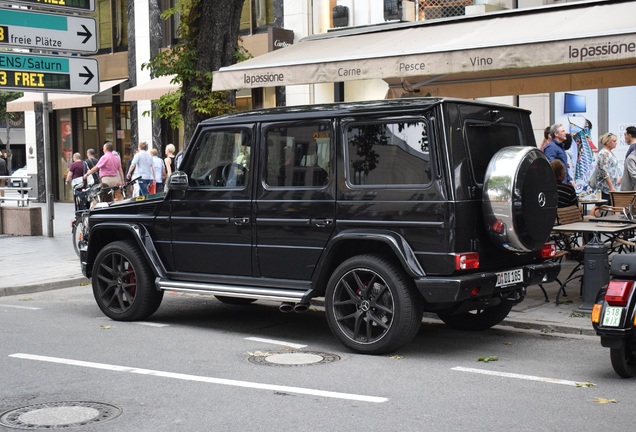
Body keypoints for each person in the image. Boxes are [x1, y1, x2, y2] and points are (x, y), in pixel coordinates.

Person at [593, 132, 619, 202]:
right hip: (605, 187)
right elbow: (604, 171)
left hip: (611, 186)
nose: (616, 143)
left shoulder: (609, 153)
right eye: (614, 141)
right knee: (600, 206)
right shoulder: (604, 153)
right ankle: (591, 214)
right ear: (607, 142)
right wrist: (611, 186)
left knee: (615, 206)